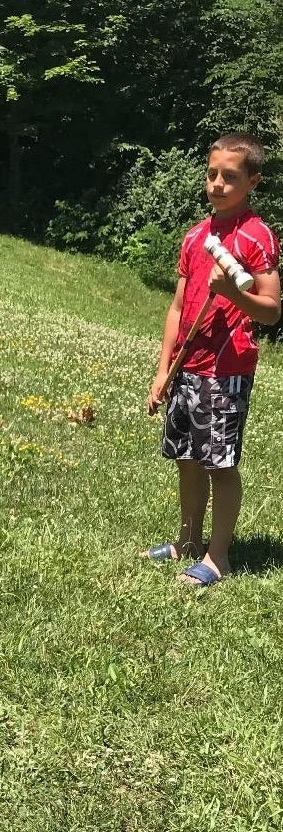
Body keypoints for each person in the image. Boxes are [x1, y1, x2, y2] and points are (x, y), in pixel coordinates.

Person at [144, 132, 281, 586]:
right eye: (212, 174)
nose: (218, 184)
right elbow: (179, 308)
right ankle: (187, 541)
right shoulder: (196, 235)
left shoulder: (256, 236)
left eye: (231, 177)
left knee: (218, 464)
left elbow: (272, 309)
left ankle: (218, 556)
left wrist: (231, 293)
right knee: (186, 457)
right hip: (188, 366)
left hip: (226, 370)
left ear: (252, 181)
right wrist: (164, 370)